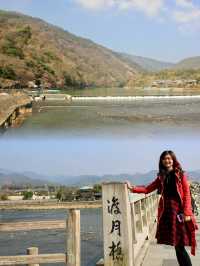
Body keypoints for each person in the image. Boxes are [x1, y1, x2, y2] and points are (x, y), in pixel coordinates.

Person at [126, 150, 198, 266]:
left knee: (179, 246)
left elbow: (186, 193)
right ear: (162, 161)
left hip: (179, 212)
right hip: (168, 212)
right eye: (164, 159)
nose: (167, 161)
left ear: (173, 160)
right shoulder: (161, 177)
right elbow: (148, 189)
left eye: (169, 158)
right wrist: (133, 188)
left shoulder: (180, 174)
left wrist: (187, 212)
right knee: (176, 246)